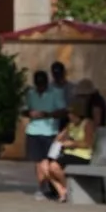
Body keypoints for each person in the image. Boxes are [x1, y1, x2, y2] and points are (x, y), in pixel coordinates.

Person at [22, 70, 67, 200]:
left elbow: (63, 111)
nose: (40, 88)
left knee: (47, 161)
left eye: (43, 85)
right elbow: (23, 110)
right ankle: (42, 188)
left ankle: (57, 188)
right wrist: (30, 113)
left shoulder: (56, 93)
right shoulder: (30, 93)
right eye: (38, 85)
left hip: (50, 131)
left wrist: (47, 114)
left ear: (47, 83)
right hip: (33, 130)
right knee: (38, 162)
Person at [42, 99, 96, 203]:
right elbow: (59, 139)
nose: (70, 117)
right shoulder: (70, 125)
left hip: (82, 155)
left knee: (54, 166)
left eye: (72, 114)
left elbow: (88, 143)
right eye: (69, 114)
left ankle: (69, 188)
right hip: (68, 153)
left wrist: (72, 143)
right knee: (44, 166)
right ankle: (62, 191)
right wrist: (60, 138)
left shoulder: (87, 124)